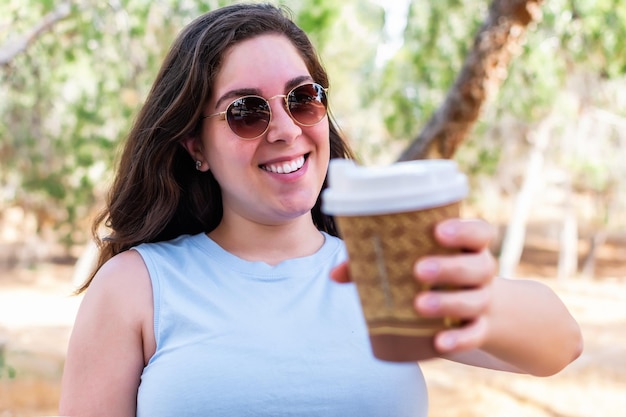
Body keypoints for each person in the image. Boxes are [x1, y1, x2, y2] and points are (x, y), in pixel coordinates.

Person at [59, 3, 582, 416]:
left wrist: (480, 296)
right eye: (246, 111)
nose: (287, 130)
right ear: (195, 146)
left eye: (302, 97)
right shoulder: (138, 285)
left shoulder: (381, 272)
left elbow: (560, 345)